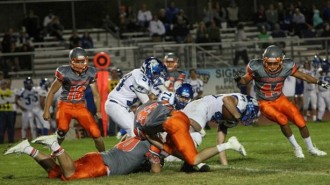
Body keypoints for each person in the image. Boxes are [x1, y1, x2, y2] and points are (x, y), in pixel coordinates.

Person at [234, 45, 329, 158]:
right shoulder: (256, 67)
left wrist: (319, 82)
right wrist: (239, 79)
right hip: (264, 102)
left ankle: (311, 149)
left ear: (281, 61)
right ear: (264, 61)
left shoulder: (287, 66)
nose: (272, 66)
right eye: (269, 63)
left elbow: (303, 76)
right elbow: (244, 81)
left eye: (275, 63)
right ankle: (296, 147)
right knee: (282, 119)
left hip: (280, 99)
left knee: (300, 121)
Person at [134, 100, 247, 172]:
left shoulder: (140, 128)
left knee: (193, 159)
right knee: (171, 148)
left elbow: (156, 144)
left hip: (174, 124)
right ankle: (195, 165)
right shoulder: (150, 106)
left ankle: (228, 144)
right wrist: (201, 131)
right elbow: (190, 120)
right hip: (181, 115)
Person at [4, 134, 162, 181]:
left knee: (56, 173)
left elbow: (122, 141)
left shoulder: (136, 135)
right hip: (103, 165)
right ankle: (54, 145)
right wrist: (157, 160)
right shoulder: (153, 145)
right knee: (70, 176)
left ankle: (26, 148)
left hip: (97, 156)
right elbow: (155, 171)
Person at [43, 47, 105, 152]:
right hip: (65, 105)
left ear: (87, 59)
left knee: (96, 133)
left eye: (83, 61)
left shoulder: (91, 72)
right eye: (78, 62)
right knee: (62, 130)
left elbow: (96, 95)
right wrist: (46, 110)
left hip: (80, 106)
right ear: (72, 61)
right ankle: (54, 153)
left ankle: (105, 156)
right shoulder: (64, 72)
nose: (81, 64)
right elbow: (51, 92)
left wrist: (98, 111)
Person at [182, 93, 260, 166]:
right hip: (200, 108)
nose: (251, 119)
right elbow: (226, 100)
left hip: (197, 107)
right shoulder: (241, 102)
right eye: (252, 115)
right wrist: (238, 117)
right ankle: (192, 161)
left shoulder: (233, 112)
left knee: (181, 136)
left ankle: (184, 158)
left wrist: (225, 165)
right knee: (195, 138)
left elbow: (220, 143)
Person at [105, 57, 167, 138]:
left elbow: (161, 93)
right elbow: (147, 103)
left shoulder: (139, 73)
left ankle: (118, 150)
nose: (157, 76)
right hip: (116, 105)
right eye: (155, 73)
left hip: (122, 106)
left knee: (135, 131)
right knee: (135, 132)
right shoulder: (140, 79)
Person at [0, 79, 16, 144]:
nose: (3, 85)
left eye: (4, 84)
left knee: (10, 126)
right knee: (1, 127)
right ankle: (1, 141)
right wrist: (7, 100)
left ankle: (11, 141)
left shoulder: (10, 91)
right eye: (2, 84)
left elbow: (13, 100)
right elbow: (0, 102)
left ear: (6, 84)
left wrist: (4, 99)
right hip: (1, 111)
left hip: (10, 111)